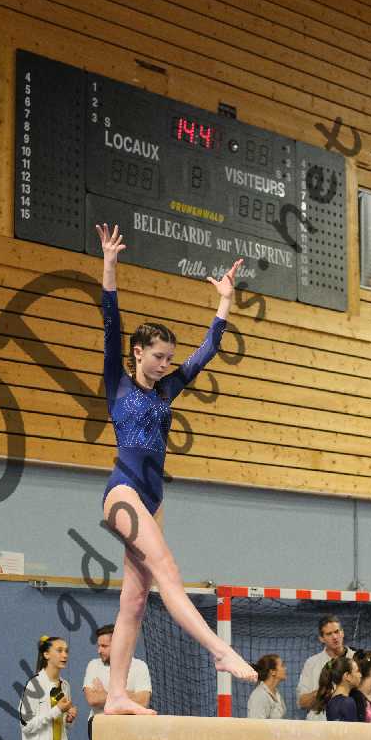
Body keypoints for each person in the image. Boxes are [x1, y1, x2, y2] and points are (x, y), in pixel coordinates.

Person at [96, 222, 257, 715]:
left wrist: (224, 303)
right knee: (166, 570)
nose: (165, 364)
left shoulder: (167, 388)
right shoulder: (118, 382)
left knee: (135, 600)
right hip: (123, 493)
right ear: (137, 353)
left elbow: (205, 353)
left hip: (153, 500)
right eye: (158, 356)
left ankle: (116, 693)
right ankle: (219, 650)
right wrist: (109, 265)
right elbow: (110, 320)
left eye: (169, 358)